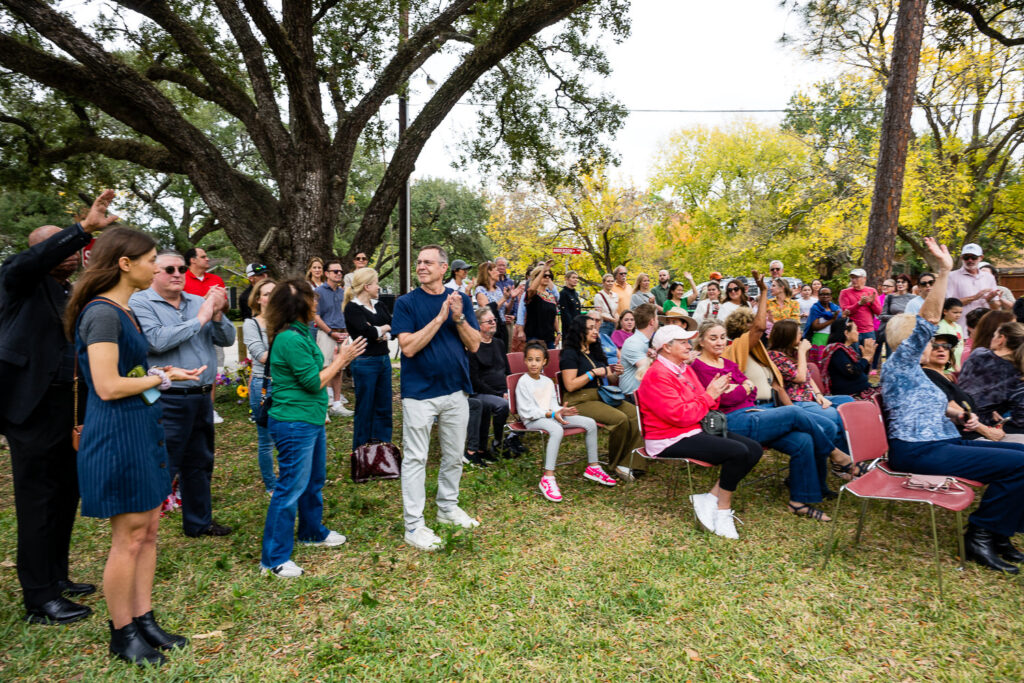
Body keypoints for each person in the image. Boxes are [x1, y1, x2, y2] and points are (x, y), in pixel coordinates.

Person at [67, 227, 203, 666]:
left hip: (141, 427)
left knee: (148, 533)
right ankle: (121, 632)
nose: (157, 267)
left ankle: (144, 620)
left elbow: (128, 372)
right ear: (125, 264)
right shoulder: (103, 313)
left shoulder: (121, 311)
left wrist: (161, 374)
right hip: (117, 433)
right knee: (127, 539)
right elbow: (106, 386)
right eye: (150, 261)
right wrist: (161, 378)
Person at [0, 190, 118, 625]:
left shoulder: (70, 290)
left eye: (76, 249)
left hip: (68, 409)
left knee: (65, 494)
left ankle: (57, 576)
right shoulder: (19, 281)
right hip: (30, 410)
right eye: (63, 246)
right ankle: (38, 598)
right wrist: (83, 228)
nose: (73, 254)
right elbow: (26, 263)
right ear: (40, 250)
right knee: (38, 501)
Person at [881, 236, 1024, 574]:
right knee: (1020, 466)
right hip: (917, 450)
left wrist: (960, 413)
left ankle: (999, 533)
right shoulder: (899, 366)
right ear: (909, 341)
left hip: (943, 441)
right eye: (928, 340)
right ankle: (981, 535)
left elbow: (928, 405)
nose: (934, 343)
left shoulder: (916, 375)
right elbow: (929, 319)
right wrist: (944, 271)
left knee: (1020, 456)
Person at [692, 317, 854, 520]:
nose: (719, 342)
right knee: (793, 412)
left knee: (803, 441)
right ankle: (837, 455)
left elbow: (752, 389)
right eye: (713, 338)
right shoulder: (698, 367)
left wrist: (739, 388)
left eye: (722, 337)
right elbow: (721, 401)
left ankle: (798, 502)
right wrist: (741, 389)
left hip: (752, 413)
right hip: (729, 422)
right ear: (701, 341)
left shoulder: (728, 363)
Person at [260, 280, 365, 578]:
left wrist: (335, 360)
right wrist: (342, 360)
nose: (317, 304)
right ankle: (273, 559)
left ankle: (311, 531)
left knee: (313, 480)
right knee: (290, 487)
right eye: (312, 299)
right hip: (294, 422)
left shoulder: (300, 333)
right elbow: (312, 382)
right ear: (298, 305)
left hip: (310, 418)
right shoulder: (290, 340)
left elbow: (314, 373)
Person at [130, 250, 236, 538]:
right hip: (167, 397)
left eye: (180, 268)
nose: (177, 273)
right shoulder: (140, 302)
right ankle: (141, 531)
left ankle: (198, 523)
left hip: (201, 395)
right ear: (154, 273)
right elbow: (156, 341)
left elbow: (226, 339)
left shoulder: (198, 302)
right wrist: (202, 318)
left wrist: (217, 314)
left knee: (200, 462)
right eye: (169, 269)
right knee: (164, 463)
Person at [392, 245, 482, 551]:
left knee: (455, 455)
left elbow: (475, 345)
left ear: (444, 268)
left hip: (456, 389)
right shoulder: (406, 303)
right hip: (419, 393)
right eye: (418, 262)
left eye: (428, 262)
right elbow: (409, 348)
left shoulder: (462, 300)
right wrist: (440, 317)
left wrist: (457, 317)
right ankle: (414, 525)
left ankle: (447, 509)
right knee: (416, 458)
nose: (421, 266)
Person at [636, 325, 763, 539]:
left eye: (688, 341)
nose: (689, 346)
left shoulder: (683, 369)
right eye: (683, 342)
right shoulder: (658, 374)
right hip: (667, 438)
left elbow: (703, 405)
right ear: (667, 347)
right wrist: (710, 395)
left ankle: (710, 497)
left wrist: (714, 393)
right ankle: (723, 510)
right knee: (738, 452)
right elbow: (682, 415)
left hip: (692, 428)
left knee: (754, 449)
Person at [517, 341, 615, 501]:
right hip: (533, 419)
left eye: (537, 359)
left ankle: (593, 467)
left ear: (544, 362)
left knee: (590, 423)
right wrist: (552, 413)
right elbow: (527, 412)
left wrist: (562, 411)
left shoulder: (548, 381)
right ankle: (548, 478)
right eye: (530, 359)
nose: (533, 363)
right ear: (525, 361)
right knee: (557, 430)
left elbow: (554, 404)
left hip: (552, 414)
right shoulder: (523, 382)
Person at [560, 314, 643, 481]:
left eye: (595, 328)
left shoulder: (596, 351)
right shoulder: (570, 353)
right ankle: (615, 463)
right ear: (579, 331)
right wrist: (592, 373)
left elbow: (609, 378)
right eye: (590, 328)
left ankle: (628, 463)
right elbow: (570, 385)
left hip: (601, 395)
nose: (595, 331)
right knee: (620, 419)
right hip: (579, 400)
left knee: (636, 414)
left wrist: (615, 373)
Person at [767, 319, 856, 456]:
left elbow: (808, 378)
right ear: (788, 336)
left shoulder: (793, 352)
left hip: (811, 397)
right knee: (837, 415)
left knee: (848, 402)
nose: (801, 334)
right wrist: (802, 352)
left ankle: (852, 452)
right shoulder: (775, 357)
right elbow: (800, 377)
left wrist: (820, 396)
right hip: (797, 401)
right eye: (798, 332)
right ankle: (844, 459)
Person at [343, 267, 394, 450]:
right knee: (365, 406)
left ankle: (382, 448)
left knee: (384, 405)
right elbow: (367, 332)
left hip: (383, 360)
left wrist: (382, 332)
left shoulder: (379, 305)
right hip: (365, 362)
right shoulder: (352, 308)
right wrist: (381, 329)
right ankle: (361, 450)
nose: (379, 287)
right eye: (376, 283)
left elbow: (392, 328)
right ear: (366, 286)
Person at [921, 332, 1005, 441]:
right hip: (965, 437)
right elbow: (953, 407)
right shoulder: (928, 374)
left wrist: (990, 413)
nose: (941, 349)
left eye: (946, 346)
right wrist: (987, 431)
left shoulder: (948, 377)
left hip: (976, 432)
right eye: (934, 346)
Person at [182, 246, 229, 423]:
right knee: (191, 367)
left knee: (212, 368)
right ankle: (191, 408)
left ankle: (209, 409)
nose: (207, 259)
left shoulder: (215, 279)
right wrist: (206, 299)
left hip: (213, 330)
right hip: (191, 331)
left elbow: (225, 306)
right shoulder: (182, 279)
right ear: (192, 260)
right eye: (203, 256)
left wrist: (220, 302)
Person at [958, 321, 1024, 443]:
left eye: (994, 335)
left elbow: (969, 391)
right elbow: (1021, 418)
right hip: (981, 428)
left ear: (1001, 339)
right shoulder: (1018, 374)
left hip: (957, 416)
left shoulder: (978, 354)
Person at [243, 279, 278, 493]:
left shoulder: (285, 322)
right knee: (266, 440)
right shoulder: (251, 324)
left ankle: (287, 478)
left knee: (285, 435)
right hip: (263, 385)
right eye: (266, 294)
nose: (270, 297)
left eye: (274, 293)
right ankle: (271, 485)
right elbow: (262, 356)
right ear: (258, 299)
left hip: (286, 385)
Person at [467, 306, 511, 462]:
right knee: (502, 405)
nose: (494, 323)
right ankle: (498, 441)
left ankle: (513, 438)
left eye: (495, 320)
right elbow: (475, 381)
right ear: (478, 325)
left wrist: (510, 390)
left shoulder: (499, 343)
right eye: (489, 321)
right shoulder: (473, 347)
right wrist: (500, 394)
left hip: (503, 390)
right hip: (482, 393)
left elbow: (508, 371)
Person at [313, 260, 352, 418]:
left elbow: (347, 314)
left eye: (340, 272)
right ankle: (324, 406)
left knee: (339, 369)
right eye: (335, 271)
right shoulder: (319, 292)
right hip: (327, 334)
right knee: (326, 368)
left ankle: (337, 403)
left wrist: (347, 332)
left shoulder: (343, 292)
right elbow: (316, 316)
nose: (338, 274)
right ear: (326, 273)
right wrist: (330, 332)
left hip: (343, 334)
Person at [818, 317, 880, 402]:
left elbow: (862, 373)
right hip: (851, 395)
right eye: (856, 330)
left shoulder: (848, 350)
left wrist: (868, 359)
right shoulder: (837, 350)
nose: (858, 333)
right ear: (847, 333)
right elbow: (852, 372)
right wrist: (865, 358)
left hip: (863, 390)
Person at [947, 243, 1003, 324]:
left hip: (984, 327)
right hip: (961, 328)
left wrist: (990, 300)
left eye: (974, 257)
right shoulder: (951, 276)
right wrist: (974, 297)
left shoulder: (989, 277)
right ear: (962, 258)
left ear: (981, 258)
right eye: (966, 257)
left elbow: (996, 308)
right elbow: (948, 305)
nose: (970, 260)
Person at [475, 260, 520, 350]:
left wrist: (512, 298)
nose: (499, 273)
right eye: (496, 270)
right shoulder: (480, 290)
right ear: (489, 272)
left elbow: (506, 310)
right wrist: (503, 298)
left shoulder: (498, 289)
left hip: (502, 327)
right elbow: (488, 310)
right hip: (490, 329)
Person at [618, 304, 659, 396]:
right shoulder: (633, 342)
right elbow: (649, 371)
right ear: (652, 322)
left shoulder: (643, 341)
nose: (658, 321)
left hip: (643, 394)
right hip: (631, 397)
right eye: (657, 318)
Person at [839, 268, 881, 345]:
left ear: (864, 278)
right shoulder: (844, 292)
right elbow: (846, 311)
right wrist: (859, 304)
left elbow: (878, 312)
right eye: (852, 278)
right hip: (852, 331)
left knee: (869, 355)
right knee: (854, 356)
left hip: (869, 331)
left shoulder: (872, 291)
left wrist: (872, 303)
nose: (853, 280)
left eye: (856, 277)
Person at [523, 264, 560, 348]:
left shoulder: (551, 296)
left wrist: (558, 332)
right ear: (537, 277)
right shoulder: (533, 294)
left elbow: (553, 316)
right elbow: (532, 289)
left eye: (549, 275)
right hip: (534, 337)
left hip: (549, 338)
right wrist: (543, 269)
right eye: (544, 275)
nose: (547, 277)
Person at [937, 297, 965, 369]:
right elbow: (946, 349)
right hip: (948, 368)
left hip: (958, 365)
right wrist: (955, 367)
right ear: (945, 311)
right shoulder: (941, 326)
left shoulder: (958, 327)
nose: (958, 315)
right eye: (955, 312)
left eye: (960, 312)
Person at [592, 273, 619, 338]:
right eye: (608, 281)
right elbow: (599, 313)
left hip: (614, 324)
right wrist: (611, 319)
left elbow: (615, 311)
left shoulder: (615, 295)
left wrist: (617, 320)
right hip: (604, 325)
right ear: (603, 283)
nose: (610, 283)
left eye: (612, 281)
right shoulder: (598, 296)